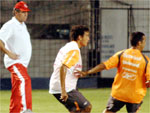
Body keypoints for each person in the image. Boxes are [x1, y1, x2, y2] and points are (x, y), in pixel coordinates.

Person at [78, 32, 150, 113]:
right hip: (135, 96)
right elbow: (149, 80)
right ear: (139, 43)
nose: (145, 43)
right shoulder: (146, 61)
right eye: (144, 41)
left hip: (119, 93)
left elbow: (104, 65)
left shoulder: (121, 54)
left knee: (108, 111)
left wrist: (88, 72)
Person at [49, 25, 92, 113]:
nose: (88, 38)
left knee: (76, 110)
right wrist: (63, 91)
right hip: (65, 88)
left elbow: (65, 66)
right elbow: (63, 67)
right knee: (86, 107)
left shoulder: (69, 46)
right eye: (87, 36)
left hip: (63, 85)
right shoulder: (74, 50)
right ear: (80, 37)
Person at [0, 1, 33, 113]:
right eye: (23, 12)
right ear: (15, 12)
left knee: (16, 90)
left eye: (26, 12)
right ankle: (26, 110)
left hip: (22, 64)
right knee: (24, 80)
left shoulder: (23, 25)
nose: (25, 14)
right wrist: (8, 52)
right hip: (15, 62)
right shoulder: (10, 25)